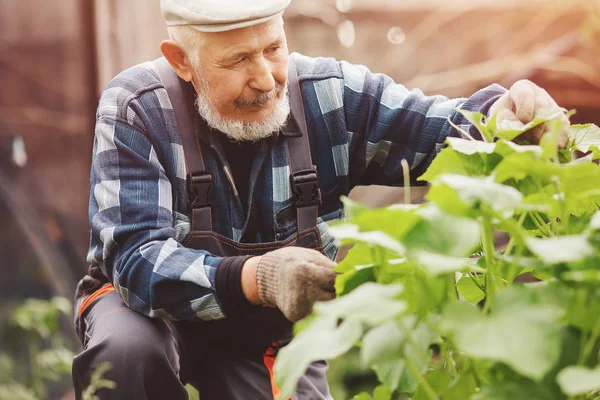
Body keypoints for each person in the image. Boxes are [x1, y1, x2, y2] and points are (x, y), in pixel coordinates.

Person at [71, 0, 570, 399]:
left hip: (263, 332)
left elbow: (434, 128)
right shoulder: (137, 107)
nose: (266, 78)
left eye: (272, 48)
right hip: (148, 315)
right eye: (239, 60)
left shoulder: (327, 95)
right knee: (127, 357)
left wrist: (504, 116)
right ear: (182, 60)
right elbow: (136, 261)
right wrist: (259, 277)